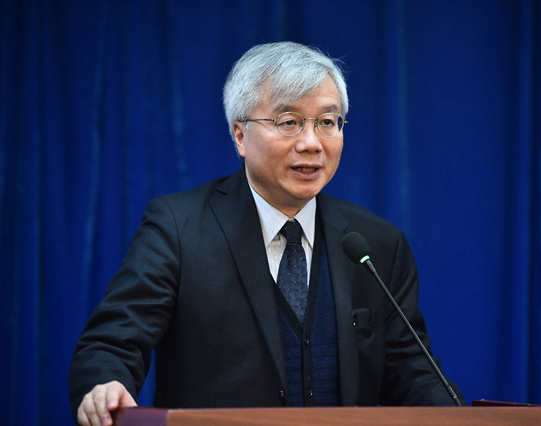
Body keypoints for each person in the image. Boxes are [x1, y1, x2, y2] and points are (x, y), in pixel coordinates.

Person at [68, 41, 464, 426]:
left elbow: (410, 370)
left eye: (327, 122)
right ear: (240, 136)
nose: (311, 143)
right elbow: (113, 341)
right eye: (289, 122)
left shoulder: (375, 244)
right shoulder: (178, 228)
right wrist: (106, 384)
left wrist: (459, 417)